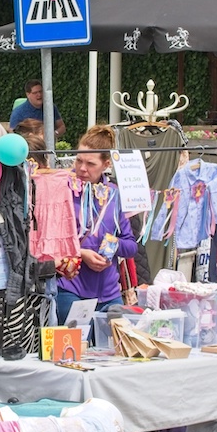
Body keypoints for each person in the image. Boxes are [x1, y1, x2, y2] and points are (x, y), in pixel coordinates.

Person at [51, 125, 138, 324]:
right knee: (75, 350)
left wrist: (113, 244)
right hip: (70, 288)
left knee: (114, 352)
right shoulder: (63, 190)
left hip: (109, 294)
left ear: (106, 164)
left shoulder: (114, 195)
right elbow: (50, 241)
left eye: (90, 163)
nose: (81, 168)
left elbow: (131, 246)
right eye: (78, 160)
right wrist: (82, 253)